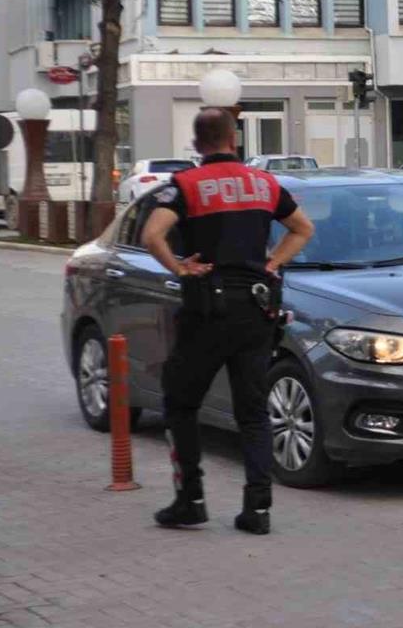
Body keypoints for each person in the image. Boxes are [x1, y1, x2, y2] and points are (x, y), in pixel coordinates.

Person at [141, 108, 314, 535]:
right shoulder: (264, 183)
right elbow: (302, 228)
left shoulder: (185, 185)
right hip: (256, 310)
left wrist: (180, 268)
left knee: (181, 402)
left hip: (207, 311)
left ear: (198, 145)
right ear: (234, 140)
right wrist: (272, 263)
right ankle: (257, 510)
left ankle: (190, 499)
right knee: (253, 412)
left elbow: (151, 235)